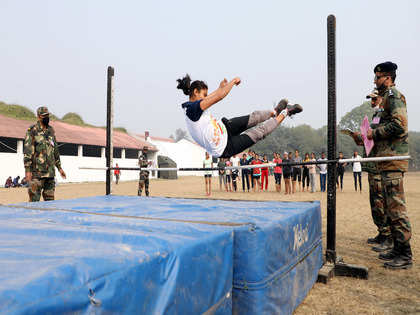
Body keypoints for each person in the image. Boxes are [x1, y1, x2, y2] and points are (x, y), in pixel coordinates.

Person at [177, 74, 303, 158]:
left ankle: (275, 111)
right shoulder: (192, 109)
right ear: (195, 92)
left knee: (255, 117)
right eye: (204, 94)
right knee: (259, 133)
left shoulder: (195, 105)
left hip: (225, 128)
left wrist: (221, 88)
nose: (206, 98)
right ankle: (287, 112)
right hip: (224, 147)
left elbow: (213, 96)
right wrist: (232, 82)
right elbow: (218, 97)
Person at [366, 61, 412, 269]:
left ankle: (405, 254)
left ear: (388, 77)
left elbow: (400, 124)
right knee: (390, 209)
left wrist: (374, 133)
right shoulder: (386, 101)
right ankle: (397, 249)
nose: (375, 81)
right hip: (385, 160)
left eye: (378, 77)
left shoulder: (394, 97)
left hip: (393, 160)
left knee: (396, 209)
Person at [350, 89, 391, 252]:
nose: (372, 102)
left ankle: (388, 236)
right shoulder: (376, 117)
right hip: (372, 166)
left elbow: (376, 136)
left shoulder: (384, 116)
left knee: (381, 201)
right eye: (371, 100)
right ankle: (382, 232)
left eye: (374, 99)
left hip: (379, 166)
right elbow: (367, 140)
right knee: (375, 201)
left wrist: (365, 135)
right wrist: (357, 136)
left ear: (382, 99)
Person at [23, 107, 66, 202]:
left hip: (50, 175)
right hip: (36, 175)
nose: (47, 118)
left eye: (48, 116)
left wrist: (59, 168)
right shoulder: (32, 130)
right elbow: (27, 152)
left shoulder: (51, 130)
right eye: (44, 116)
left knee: (50, 204)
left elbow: (55, 150)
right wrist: (28, 171)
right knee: (34, 204)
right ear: (38, 117)